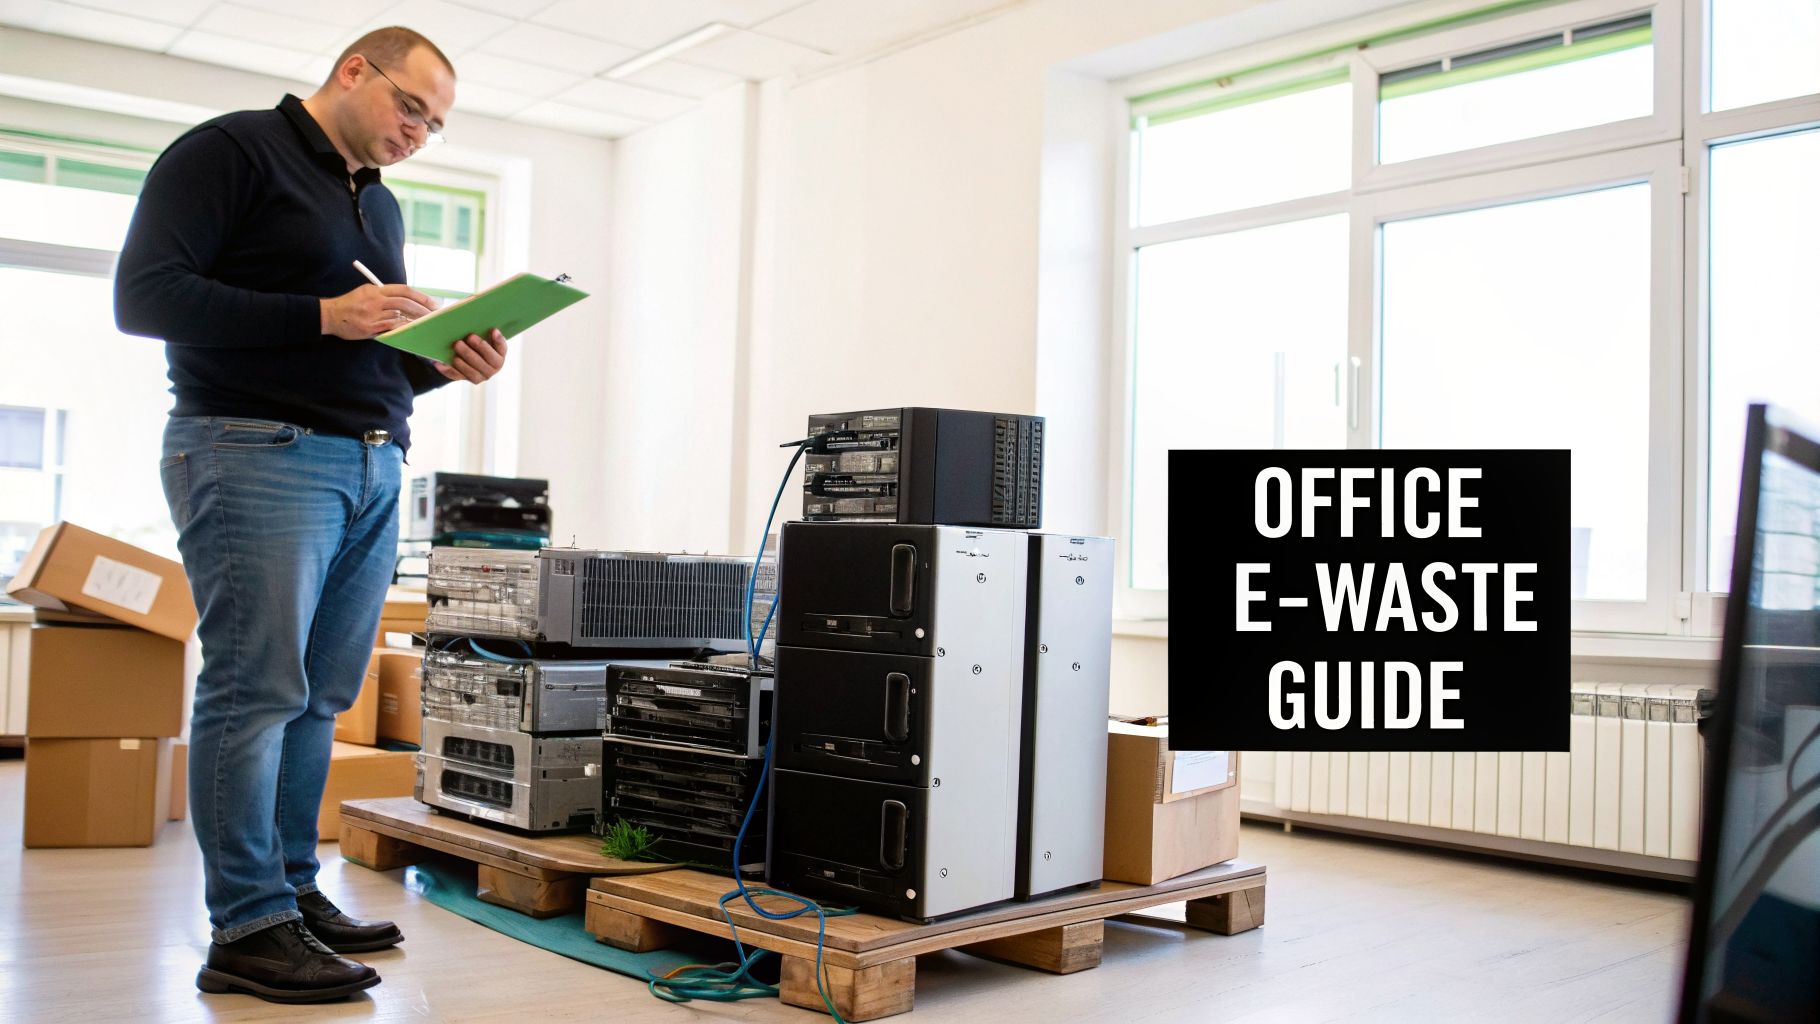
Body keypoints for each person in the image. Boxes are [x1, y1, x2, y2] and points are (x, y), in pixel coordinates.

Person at [114, 26, 506, 1004]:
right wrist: (321, 315)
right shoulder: (230, 151)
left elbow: (373, 351)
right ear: (352, 71)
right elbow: (144, 295)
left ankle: (288, 890)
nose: (418, 131)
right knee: (255, 688)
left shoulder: (379, 204)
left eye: (436, 124)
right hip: (253, 448)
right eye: (409, 106)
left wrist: (444, 362)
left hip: (371, 461)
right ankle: (245, 925)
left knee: (320, 693)